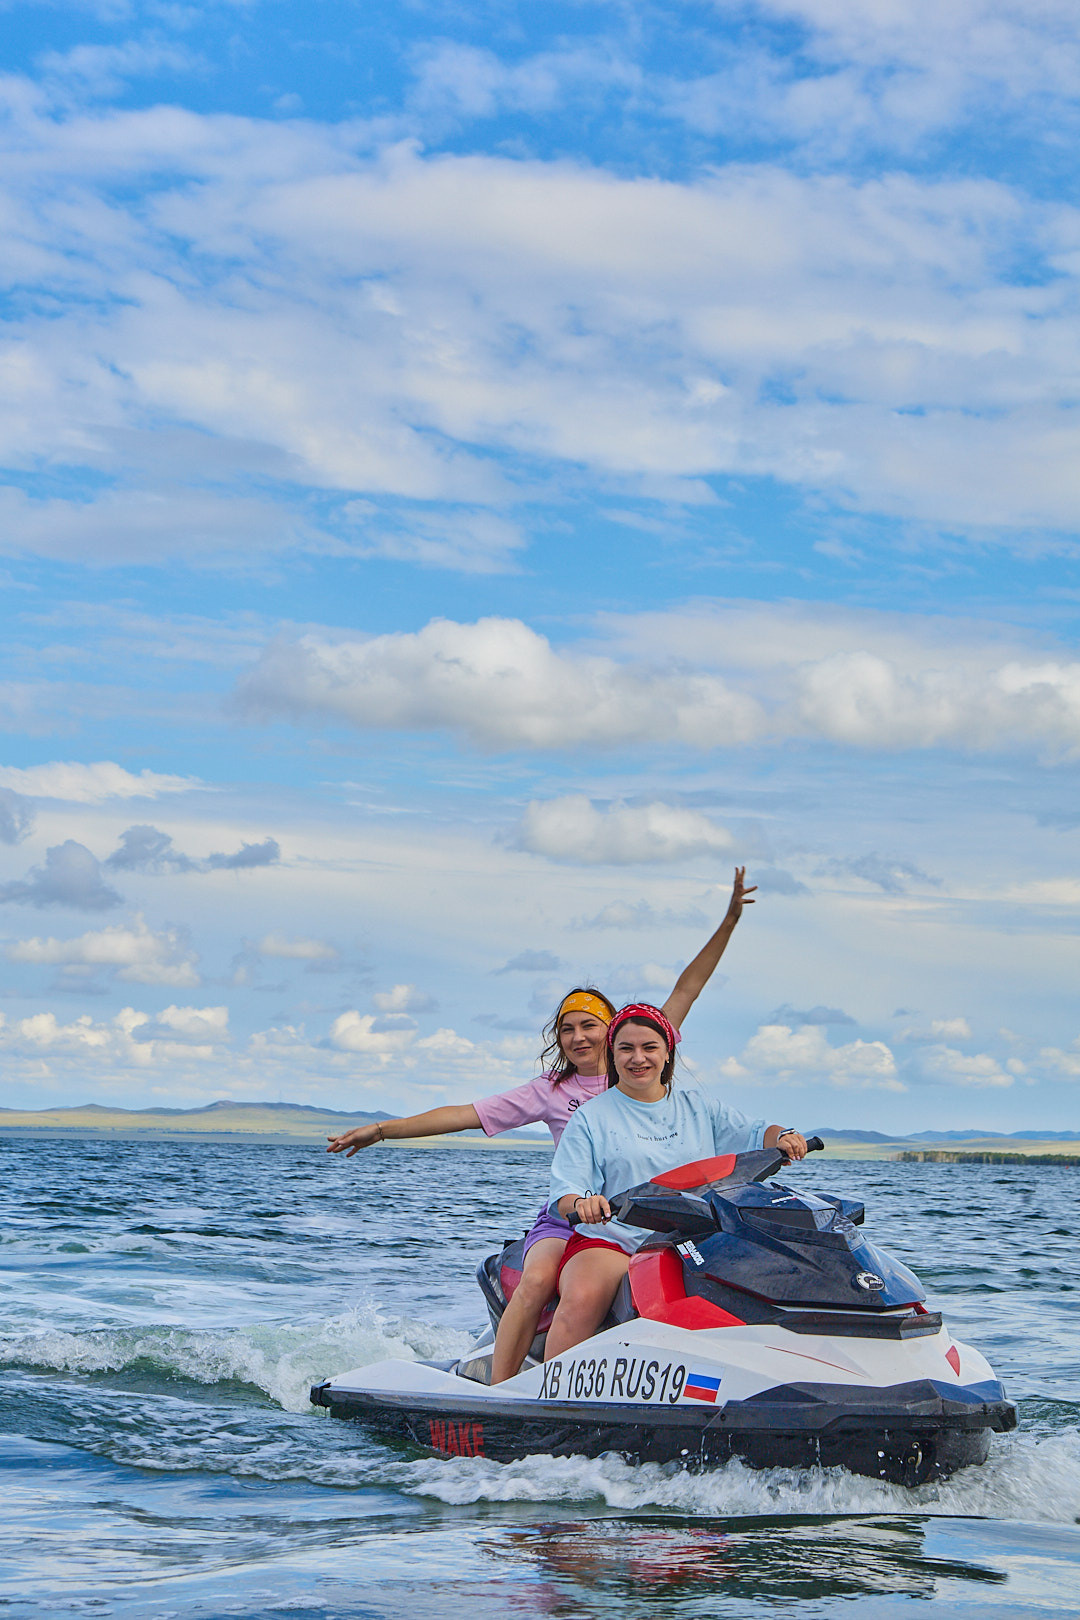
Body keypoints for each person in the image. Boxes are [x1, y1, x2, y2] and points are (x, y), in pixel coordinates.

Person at [327, 868, 757, 1381]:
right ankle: (505, 1390)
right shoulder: (552, 1091)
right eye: (567, 1029)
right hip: (573, 1213)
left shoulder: (643, 1051)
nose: (578, 1037)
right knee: (537, 1283)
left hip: (653, 1216)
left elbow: (690, 984)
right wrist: (382, 1129)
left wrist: (730, 919)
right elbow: (464, 1116)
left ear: (617, 1030)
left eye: (589, 1026)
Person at [546, 1002, 807, 1360]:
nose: (638, 1058)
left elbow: (757, 1132)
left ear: (667, 1053)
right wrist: (583, 1204)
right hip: (615, 1240)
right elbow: (566, 1190)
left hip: (695, 1238)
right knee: (582, 1299)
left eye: (649, 1047)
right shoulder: (591, 1117)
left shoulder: (698, 1106)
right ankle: (551, 1398)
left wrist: (785, 1135)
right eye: (626, 1048)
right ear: (612, 1055)